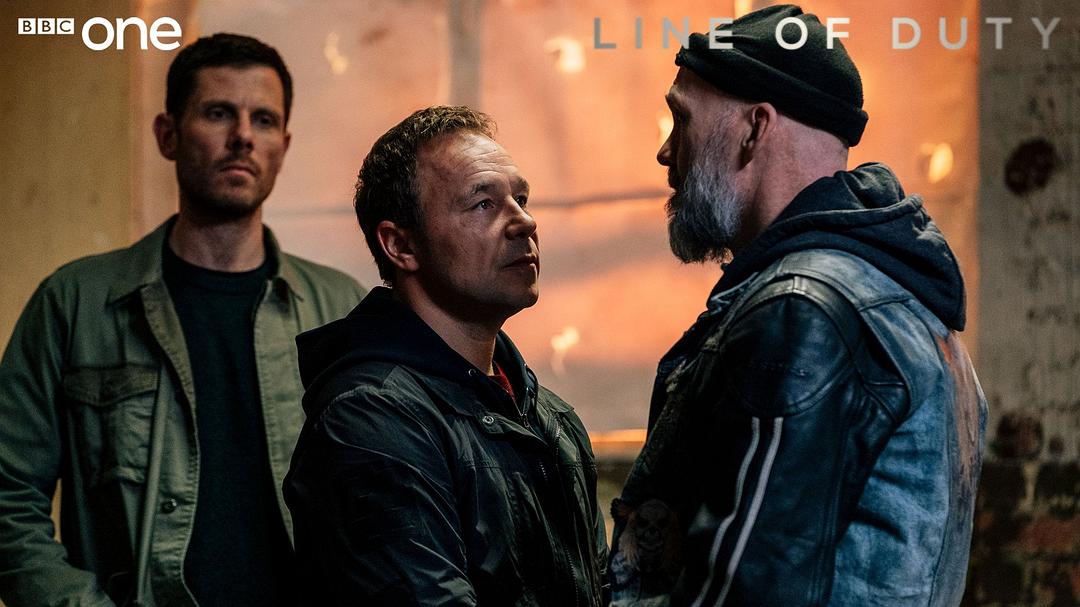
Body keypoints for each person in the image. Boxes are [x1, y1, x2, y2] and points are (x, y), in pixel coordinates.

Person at [609, 5, 987, 606]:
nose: (665, 151)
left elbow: (745, 591)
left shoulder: (804, 311)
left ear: (755, 128)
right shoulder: (905, 300)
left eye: (681, 120)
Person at [0, 33, 363, 606]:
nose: (243, 136)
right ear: (167, 135)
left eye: (264, 119)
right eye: (218, 113)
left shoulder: (340, 309)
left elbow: (389, 500)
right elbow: (8, 497)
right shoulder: (74, 304)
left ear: (284, 145)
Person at [284, 106, 608, 606]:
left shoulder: (550, 417)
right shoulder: (370, 418)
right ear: (400, 245)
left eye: (520, 199)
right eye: (483, 204)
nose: (524, 222)